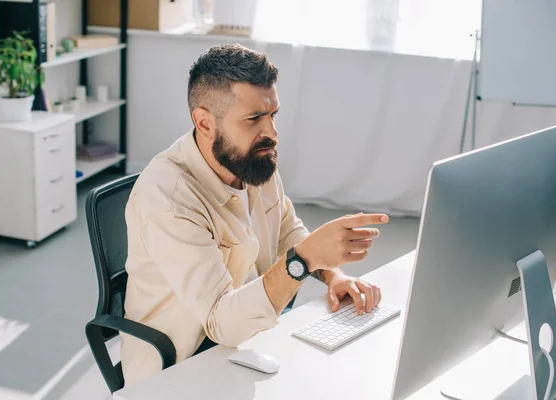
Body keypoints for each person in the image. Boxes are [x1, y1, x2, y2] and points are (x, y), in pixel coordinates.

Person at [121, 43, 390, 386]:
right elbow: (222, 323)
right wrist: (304, 260)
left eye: (272, 115)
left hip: (243, 346)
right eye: (254, 119)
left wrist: (333, 276)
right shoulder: (169, 198)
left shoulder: (251, 161)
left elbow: (287, 232)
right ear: (205, 123)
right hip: (177, 371)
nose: (272, 133)